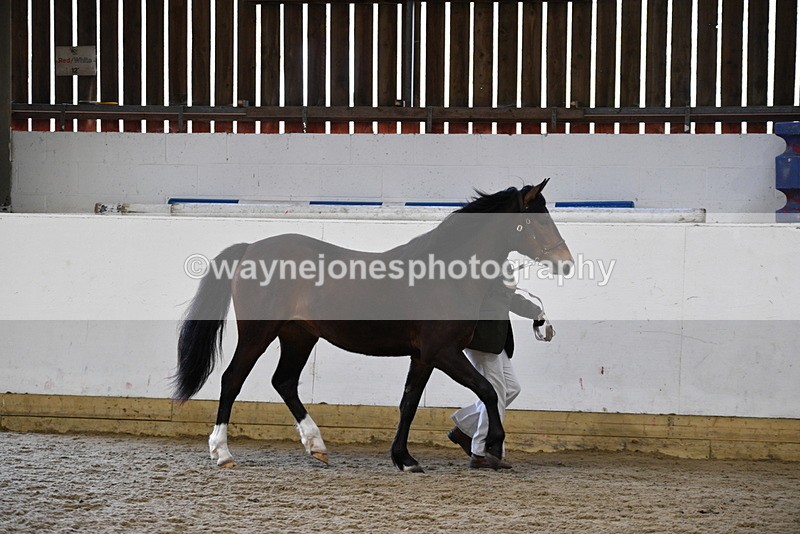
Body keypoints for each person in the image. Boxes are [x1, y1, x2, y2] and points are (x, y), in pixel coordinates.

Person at [448, 274, 549, 469]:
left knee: (512, 388)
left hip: (496, 340)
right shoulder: (482, 268)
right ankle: (480, 452)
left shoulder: (499, 267)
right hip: (482, 340)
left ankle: (464, 429)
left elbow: (509, 297)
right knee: (495, 394)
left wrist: (536, 312)